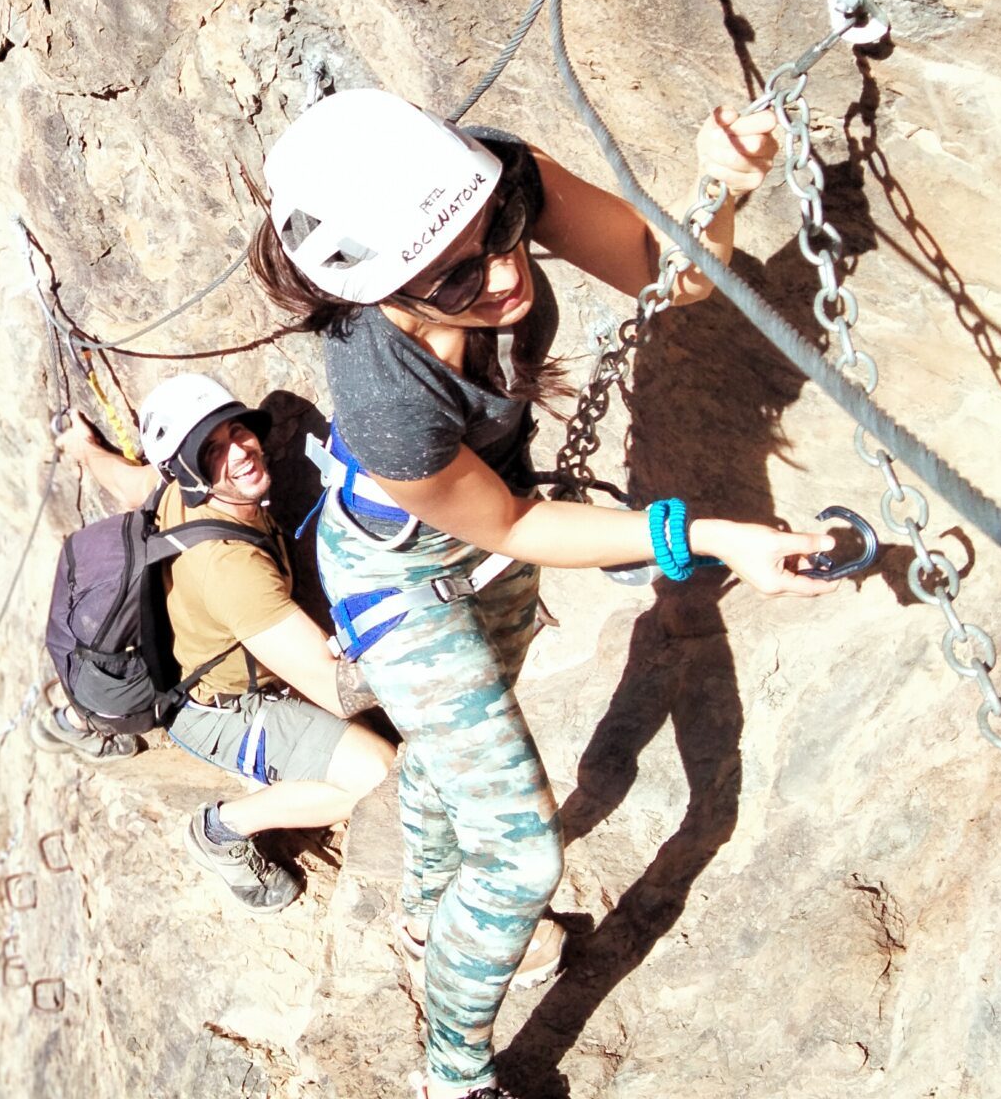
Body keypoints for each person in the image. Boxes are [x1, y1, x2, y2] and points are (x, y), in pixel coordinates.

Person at [250, 89, 841, 1099]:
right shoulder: (387, 395)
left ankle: (425, 906)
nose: (510, 272)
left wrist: (722, 186)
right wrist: (700, 534)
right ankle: (451, 1072)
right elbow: (516, 527)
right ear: (383, 290)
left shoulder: (489, 178)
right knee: (522, 859)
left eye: (508, 235)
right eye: (458, 276)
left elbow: (665, 274)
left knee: (461, 745)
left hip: (487, 526)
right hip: (398, 575)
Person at [36, 374, 397, 914]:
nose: (241, 453)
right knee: (380, 777)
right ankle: (221, 832)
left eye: (236, 432)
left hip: (184, 672)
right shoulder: (232, 568)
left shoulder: (171, 493)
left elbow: (132, 484)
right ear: (187, 471)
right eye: (212, 450)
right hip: (222, 712)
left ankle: (80, 720)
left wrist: (83, 448)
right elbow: (333, 688)